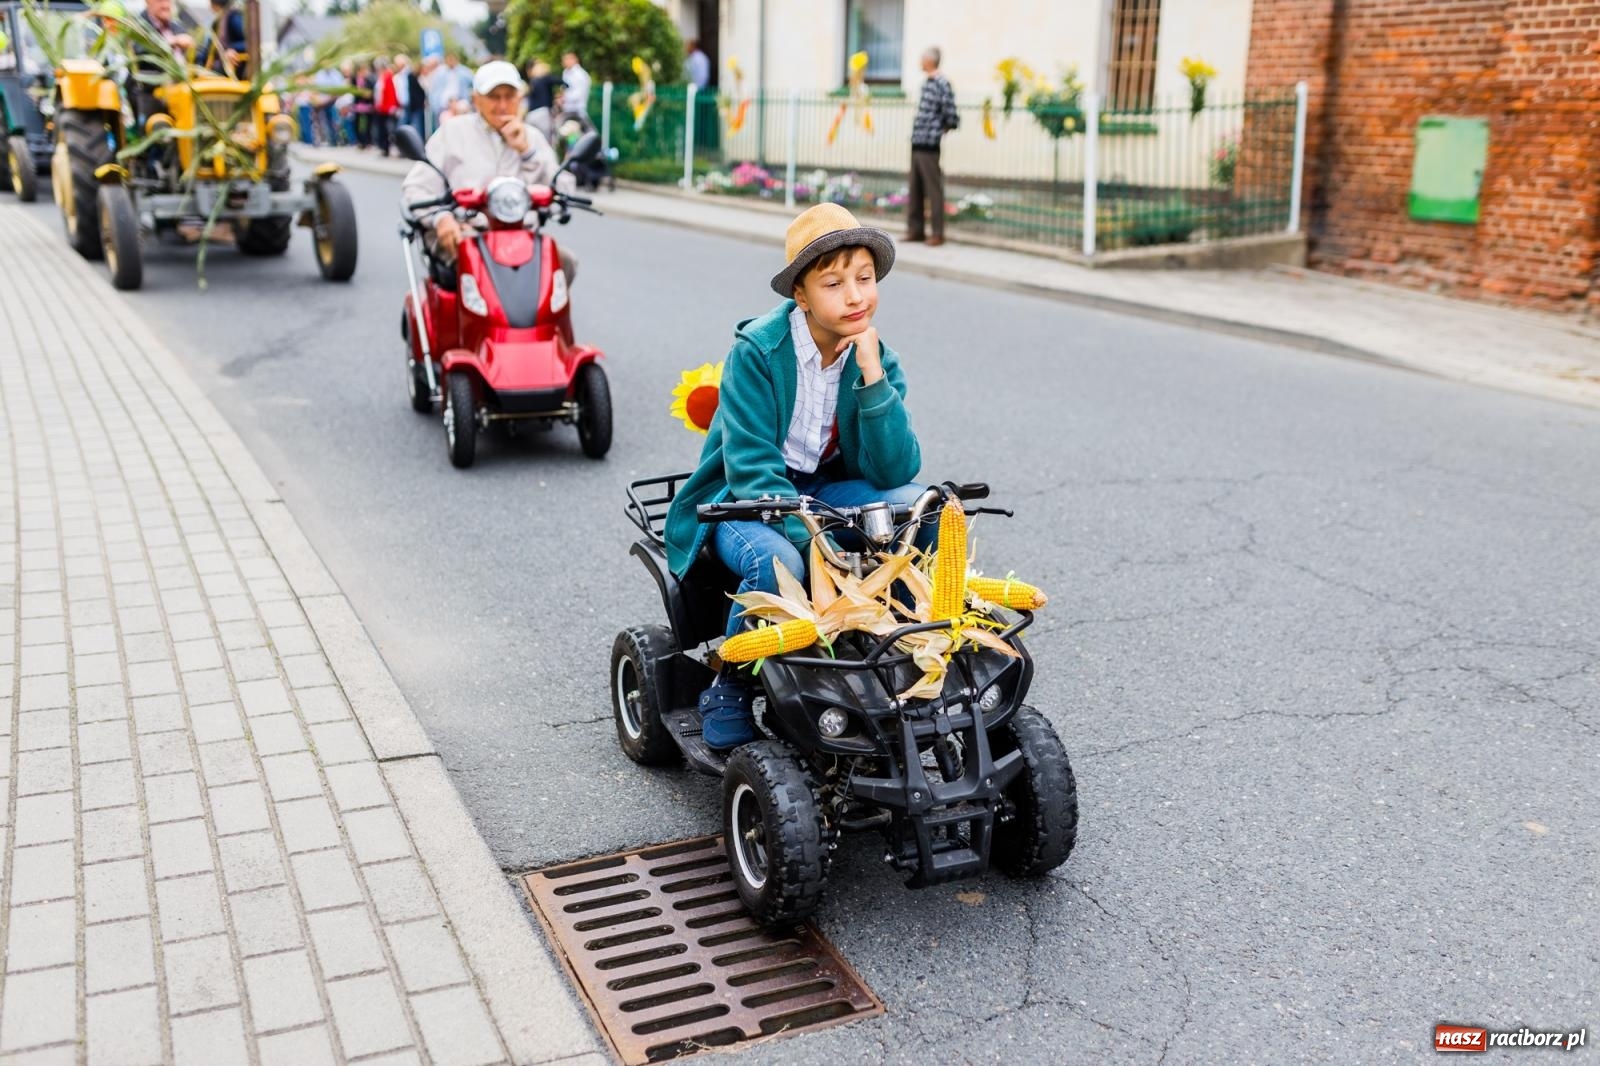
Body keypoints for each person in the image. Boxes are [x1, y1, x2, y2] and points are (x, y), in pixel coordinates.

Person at [661, 203, 930, 749]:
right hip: (740, 499)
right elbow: (753, 466)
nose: (855, 296)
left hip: (823, 489)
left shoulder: (877, 356)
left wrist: (873, 377)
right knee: (778, 563)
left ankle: (899, 650)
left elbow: (896, 469)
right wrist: (816, 544)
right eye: (834, 284)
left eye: (864, 279)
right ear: (801, 296)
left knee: (915, 507)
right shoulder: (758, 353)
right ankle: (730, 682)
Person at [399, 60, 578, 282]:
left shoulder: (533, 138)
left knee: (564, 262)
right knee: (477, 262)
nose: (502, 105)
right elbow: (417, 186)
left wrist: (526, 151)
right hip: (465, 232)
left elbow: (564, 188)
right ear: (476, 99)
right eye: (494, 97)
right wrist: (441, 219)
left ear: (520, 99)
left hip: (520, 238)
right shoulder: (453, 132)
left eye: (509, 96)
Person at [906, 46, 959, 247]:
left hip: (930, 144)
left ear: (929, 60)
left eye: (921, 58)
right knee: (915, 187)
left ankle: (937, 233)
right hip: (917, 141)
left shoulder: (942, 83)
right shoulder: (927, 83)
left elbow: (950, 112)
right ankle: (916, 230)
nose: (919, 61)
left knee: (933, 189)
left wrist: (941, 130)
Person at [200, 0, 246, 76]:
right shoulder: (218, 21)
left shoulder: (233, 18)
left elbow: (249, 44)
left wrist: (231, 49)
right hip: (217, 68)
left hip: (232, 71)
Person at [524, 59, 561, 142]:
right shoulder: (546, 79)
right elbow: (563, 82)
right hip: (543, 113)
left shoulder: (532, 82)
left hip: (531, 115)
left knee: (532, 140)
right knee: (546, 141)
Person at [373, 56, 399, 156]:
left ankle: (389, 147)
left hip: (387, 108)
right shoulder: (382, 76)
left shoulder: (388, 75)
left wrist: (391, 106)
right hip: (381, 107)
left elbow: (391, 92)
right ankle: (384, 147)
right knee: (382, 128)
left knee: (389, 129)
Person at [396, 54, 426, 136]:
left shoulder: (411, 74)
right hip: (408, 104)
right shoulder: (403, 75)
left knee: (416, 125)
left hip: (414, 104)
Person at [559, 50, 590, 119]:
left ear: (575, 59)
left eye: (567, 59)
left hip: (577, 109)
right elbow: (564, 88)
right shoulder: (566, 72)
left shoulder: (580, 74)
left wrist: (564, 98)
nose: (564, 62)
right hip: (568, 108)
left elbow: (579, 94)